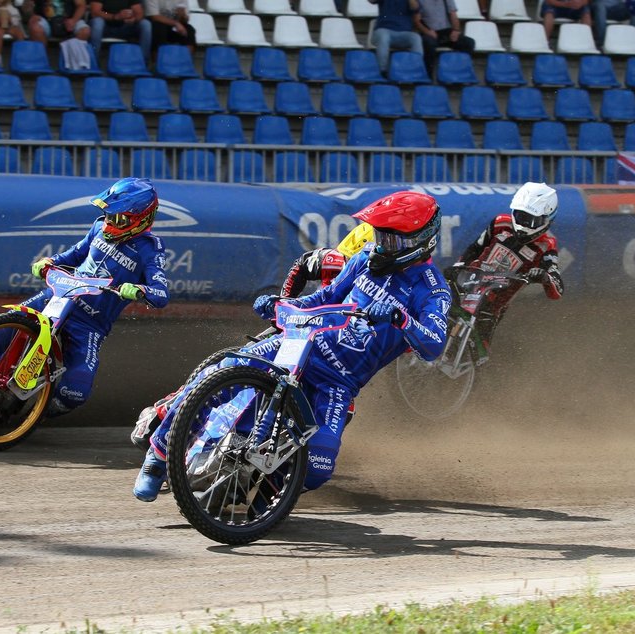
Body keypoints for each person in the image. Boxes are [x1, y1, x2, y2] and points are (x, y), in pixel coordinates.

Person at [133, 192, 451, 502]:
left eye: (391, 241)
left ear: (421, 241)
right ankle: (157, 457)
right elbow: (325, 297)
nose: (381, 246)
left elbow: (434, 345)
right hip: (301, 344)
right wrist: (281, 304)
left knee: (318, 468)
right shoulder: (363, 258)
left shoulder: (432, 289)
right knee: (224, 370)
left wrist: (401, 319)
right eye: (379, 236)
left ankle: (264, 500)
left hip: (338, 382)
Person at [0, 178, 170, 415]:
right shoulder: (98, 227)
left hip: (89, 324)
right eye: (107, 214)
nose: (109, 222)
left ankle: (33, 414)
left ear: (141, 219)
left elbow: (161, 293)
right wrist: (49, 261)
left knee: (76, 391)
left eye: (118, 218)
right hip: (56, 297)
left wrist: (140, 290)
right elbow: (75, 255)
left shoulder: (150, 249)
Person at [129, 222, 374, 452]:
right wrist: (283, 309)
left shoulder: (387, 285)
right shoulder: (332, 259)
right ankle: (165, 410)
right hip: (304, 326)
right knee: (238, 360)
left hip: (341, 348)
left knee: (342, 409)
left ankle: (290, 453)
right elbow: (299, 266)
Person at [443, 182, 563, 366]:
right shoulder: (500, 223)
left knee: (481, 356)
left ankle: (478, 376)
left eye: (531, 220)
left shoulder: (547, 246)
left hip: (492, 305)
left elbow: (557, 289)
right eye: (520, 216)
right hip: (467, 284)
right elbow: (475, 248)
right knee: (438, 309)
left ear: (547, 219)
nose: (523, 224)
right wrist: (459, 266)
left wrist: (544, 277)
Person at [414, 0, 475, 80]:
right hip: (428, 31)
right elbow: (417, 20)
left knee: (468, 42)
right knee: (428, 44)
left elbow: (453, 15)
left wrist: (456, 30)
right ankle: (428, 77)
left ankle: (459, 74)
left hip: (446, 31)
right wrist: (427, 32)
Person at [369, 0, 424, 75]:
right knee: (384, 37)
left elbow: (415, 8)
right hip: (383, 29)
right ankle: (382, 71)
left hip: (404, 33)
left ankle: (415, 70)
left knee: (416, 38)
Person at [23, 0, 92, 44]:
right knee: (35, 28)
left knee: (84, 31)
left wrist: (74, 20)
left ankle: (75, 61)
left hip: (70, 18)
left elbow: (81, 6)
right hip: (45, 20)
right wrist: (31, 15)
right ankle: (40, 59)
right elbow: (26, 5)